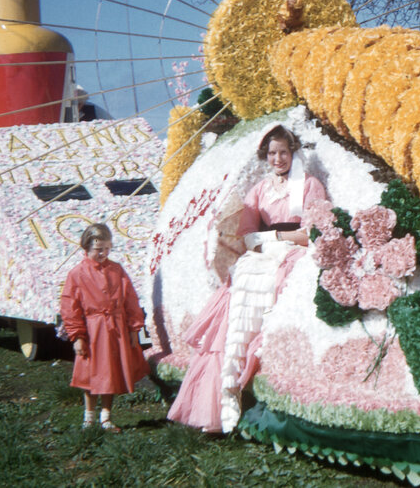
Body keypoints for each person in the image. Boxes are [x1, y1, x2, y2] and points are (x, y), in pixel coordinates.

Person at [167, 124, 328, 433]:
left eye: (283, 152)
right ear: (265, 156)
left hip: (294, 252)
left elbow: (312, 231)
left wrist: (278, 236)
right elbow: (247, 234)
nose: (278, 159)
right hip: (263, 251)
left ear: (292, 153)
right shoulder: (260, 190)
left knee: (278, 286)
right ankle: (223, 393)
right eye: (272, 153)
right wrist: (264, 239)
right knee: (239, 289)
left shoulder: (309, 185)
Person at [60, 223, 150, 432]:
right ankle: (89, 417)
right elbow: (69, 307)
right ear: (86, 249)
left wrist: (133, 329)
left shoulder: (116, 270)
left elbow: (131, 300)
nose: (103, 253)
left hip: (115, 328)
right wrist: (77, 336)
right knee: (90, 372)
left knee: (112, 371)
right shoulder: (77, 273)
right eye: (98, 249)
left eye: (107, 249)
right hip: (93, 329)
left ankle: (106, 417)